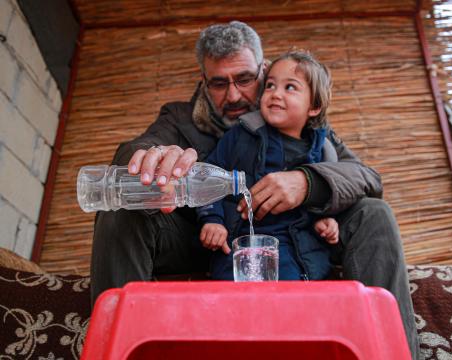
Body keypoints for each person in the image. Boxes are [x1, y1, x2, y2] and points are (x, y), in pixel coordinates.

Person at [91, 21, 420, 358]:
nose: (233, 95)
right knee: (118, 213)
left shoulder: (305, 123)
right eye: (219, 83)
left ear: (263, 71)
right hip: (201, 238)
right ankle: (113, 350)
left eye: (244, 79)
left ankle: (393, 352)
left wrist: (308, 182)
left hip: (299, 237)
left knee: (374, 212)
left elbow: (366, 177)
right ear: (203, 82)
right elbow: (136, 148)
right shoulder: (178, 119)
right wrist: (152, 157)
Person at [197, 50, 339, 281]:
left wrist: (326, 221)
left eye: (290, 87)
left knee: (289, 304)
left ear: (314, 106)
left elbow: (329, 199)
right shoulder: (241, 137)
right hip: (240, 248)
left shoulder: (324, 151)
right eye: (270, 85)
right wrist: (213, 220)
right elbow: (208, 177)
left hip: (298, 253)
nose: (275, 94)